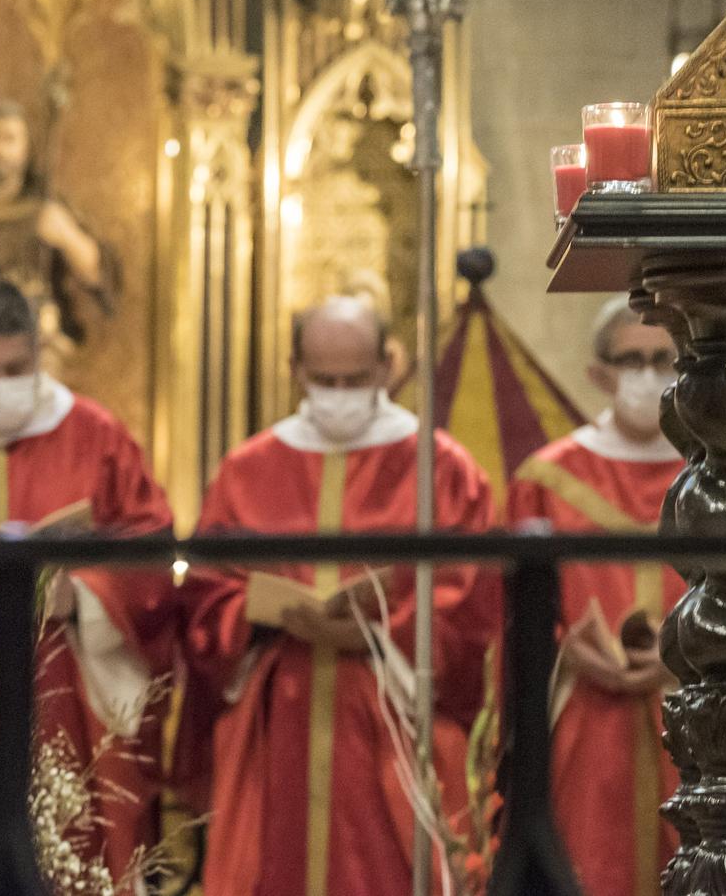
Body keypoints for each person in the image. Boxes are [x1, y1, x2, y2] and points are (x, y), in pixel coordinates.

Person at [182, 295, 498, 896]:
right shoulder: (247, 470)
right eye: (324, 379)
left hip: (391, 725)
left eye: (354, 379)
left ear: (387, 367)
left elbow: (473, 604)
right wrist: (253, 613)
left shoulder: (440, 467)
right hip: (280, 727)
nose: (339, 392)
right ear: (295, 368)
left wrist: (381, 632)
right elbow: (204, 594)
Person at [0, 277, 174, 878]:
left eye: (15, 369)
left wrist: (86, 594)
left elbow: (149, 549)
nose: (0, 389)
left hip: (67, 687)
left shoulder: (94, 435)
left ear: (40, 356)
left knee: (71, 852)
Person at [505, 297, 686, 896]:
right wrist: (566, 649)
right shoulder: (548, 479)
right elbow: (508, 617)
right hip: (584, 723)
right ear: (598, 374)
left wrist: (688, 653)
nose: (648, 375)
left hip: (693, 727)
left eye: (663, 359)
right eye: (631, 360)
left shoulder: (723, 480)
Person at [0, 100, 111, 366]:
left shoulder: (46, 205)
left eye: (9, 139)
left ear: (26, 147)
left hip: (34, 341)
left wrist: (67, 236)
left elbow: (97, 274)